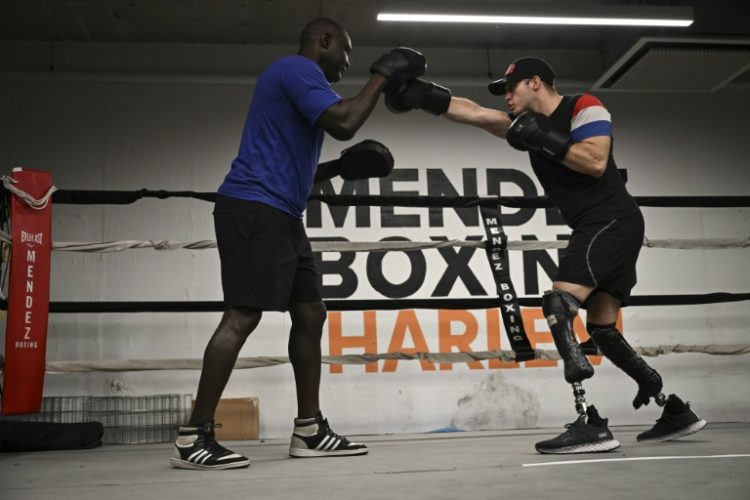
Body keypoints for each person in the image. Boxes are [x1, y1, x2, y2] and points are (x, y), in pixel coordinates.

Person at [383, 57, 707, 454]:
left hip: (609, 220)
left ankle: (590, 423)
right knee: (603, 329)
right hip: (607, 224)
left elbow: (594, 161)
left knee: (558, 302)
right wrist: (424, 96)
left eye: (511, 88)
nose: (506, 97)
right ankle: (671, 408)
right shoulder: (521, 128)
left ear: (535, 82)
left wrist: (541, 138)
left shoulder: (584, 107)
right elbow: (475, 113)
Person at [171, 18, 425, 470]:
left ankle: (309, 429)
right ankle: (194, 436)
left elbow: (292, 161)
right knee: (243, 315)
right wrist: (383, 74)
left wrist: (338, 168)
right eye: (345, 51)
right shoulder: (296, 69)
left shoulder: (302, 87)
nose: (347, 62)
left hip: (282, 215)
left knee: (310, 312)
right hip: (254, 208)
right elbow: (346, 122)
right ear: (323, 41)